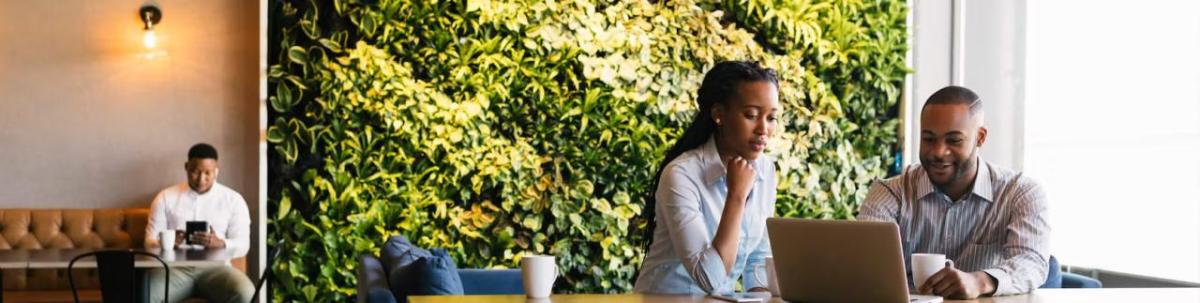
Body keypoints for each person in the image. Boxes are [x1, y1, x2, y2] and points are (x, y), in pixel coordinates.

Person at [858, 86, 1050, 299]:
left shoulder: (1020, 193)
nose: (939, 152)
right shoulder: (890, 192)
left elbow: (1032, 263)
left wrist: (980, 281)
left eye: (954, 140)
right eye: (929, 139)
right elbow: (865, 266)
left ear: (980, 137)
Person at [634, 61, 781, 295]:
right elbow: (709, 278)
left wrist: (762, 298)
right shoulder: (681, 175)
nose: (763, 129)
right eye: (751, 115)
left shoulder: (765, 170)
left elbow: (758, 260)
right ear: (718, 114)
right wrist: (737, 195)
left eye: (771, 118)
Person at [145, 143, 254, 303]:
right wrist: (166, 243)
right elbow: (149, 241)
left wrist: (221, 243)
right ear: (186, 167)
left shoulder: (233, 200)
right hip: (174, 269)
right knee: (145, 293)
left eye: (207, 173)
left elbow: (243, 244)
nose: (201, 179)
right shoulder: (165, 198)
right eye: (195, 172)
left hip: (217, 269)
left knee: (246, 293)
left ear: (217, 170)